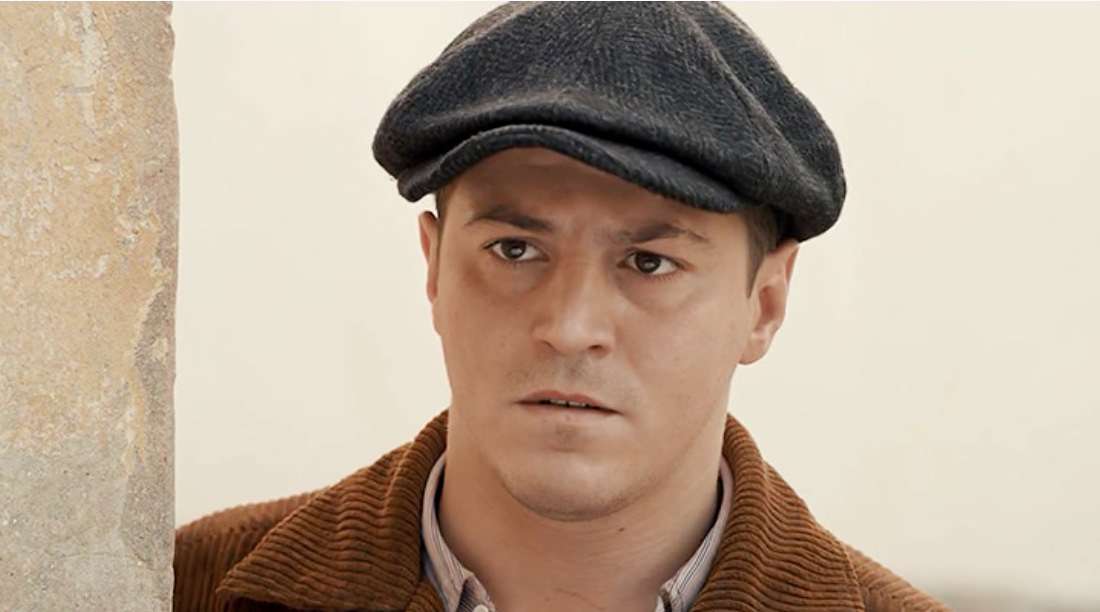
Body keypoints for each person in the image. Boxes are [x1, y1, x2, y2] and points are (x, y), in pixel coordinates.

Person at [174, 3, 946, 611]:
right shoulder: (173, 587)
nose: (571, 328)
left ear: (765, 303)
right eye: (515, 249)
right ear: (434, 268)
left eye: (650, 262)